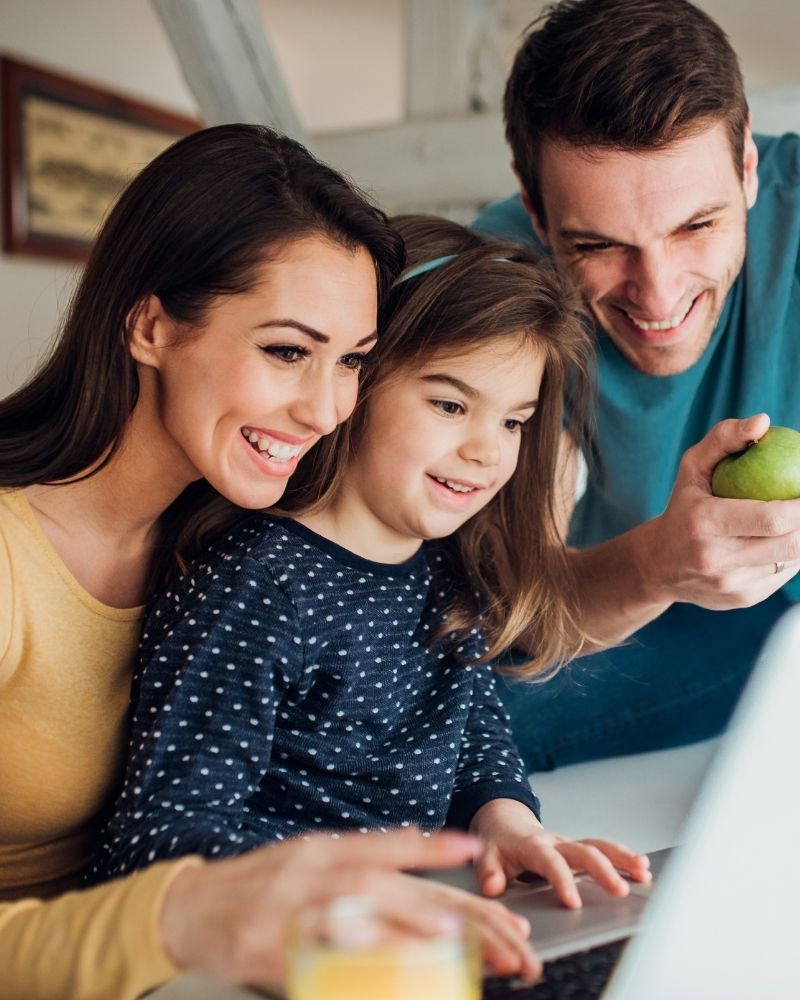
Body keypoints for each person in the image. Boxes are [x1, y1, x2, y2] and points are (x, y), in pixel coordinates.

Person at [0, 125, 534, 1000]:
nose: (327, 407)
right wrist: (177, 919)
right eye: (287, 350)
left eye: (353, 361)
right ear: (150, 325)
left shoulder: (236, 534)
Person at [94, 215, 651, 920]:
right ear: (358, 384)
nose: (486, 451)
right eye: (451, 404)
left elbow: (471, 727)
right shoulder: (258, 583)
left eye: (513, 421)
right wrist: (353, 909)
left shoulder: (449, 566)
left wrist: (509, 824)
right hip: (250, 945)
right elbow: (164, 838)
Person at [473, 0, 800, 771]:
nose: (657, 298)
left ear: (748, 168)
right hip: (699, 617)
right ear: (537, 213)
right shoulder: (498, 291)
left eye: (697, 226)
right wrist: (659, 563)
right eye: (599, 245)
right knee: (462, 713)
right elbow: (522, 622)